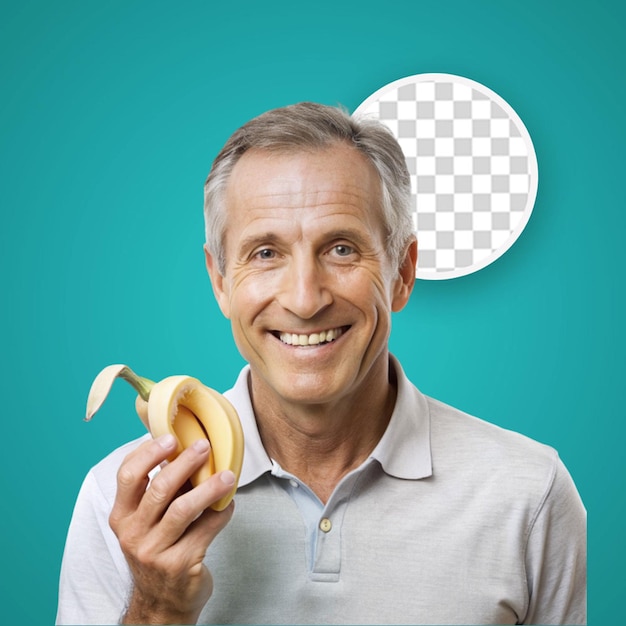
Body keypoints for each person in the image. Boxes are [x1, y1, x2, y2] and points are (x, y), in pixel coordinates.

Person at [56, 102, 586, 625]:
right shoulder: (121, 501)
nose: (305, 300)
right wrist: (158, 609)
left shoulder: (529, 493)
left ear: (402, 273)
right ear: (220, 281)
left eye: (341, 249)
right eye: (265, 253)